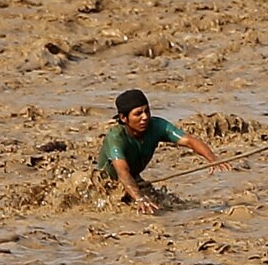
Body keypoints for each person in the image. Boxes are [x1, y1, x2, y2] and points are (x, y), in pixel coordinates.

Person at [97, 89, 231, 213]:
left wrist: (212, 159)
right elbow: (123, 172)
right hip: (105, 185)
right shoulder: (115, 137)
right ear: (123, 118)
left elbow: (189, 140)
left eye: (147, 111)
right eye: (138, 114)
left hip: (134, 179)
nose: (145, 117)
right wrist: (139, 199)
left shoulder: (156, 126)